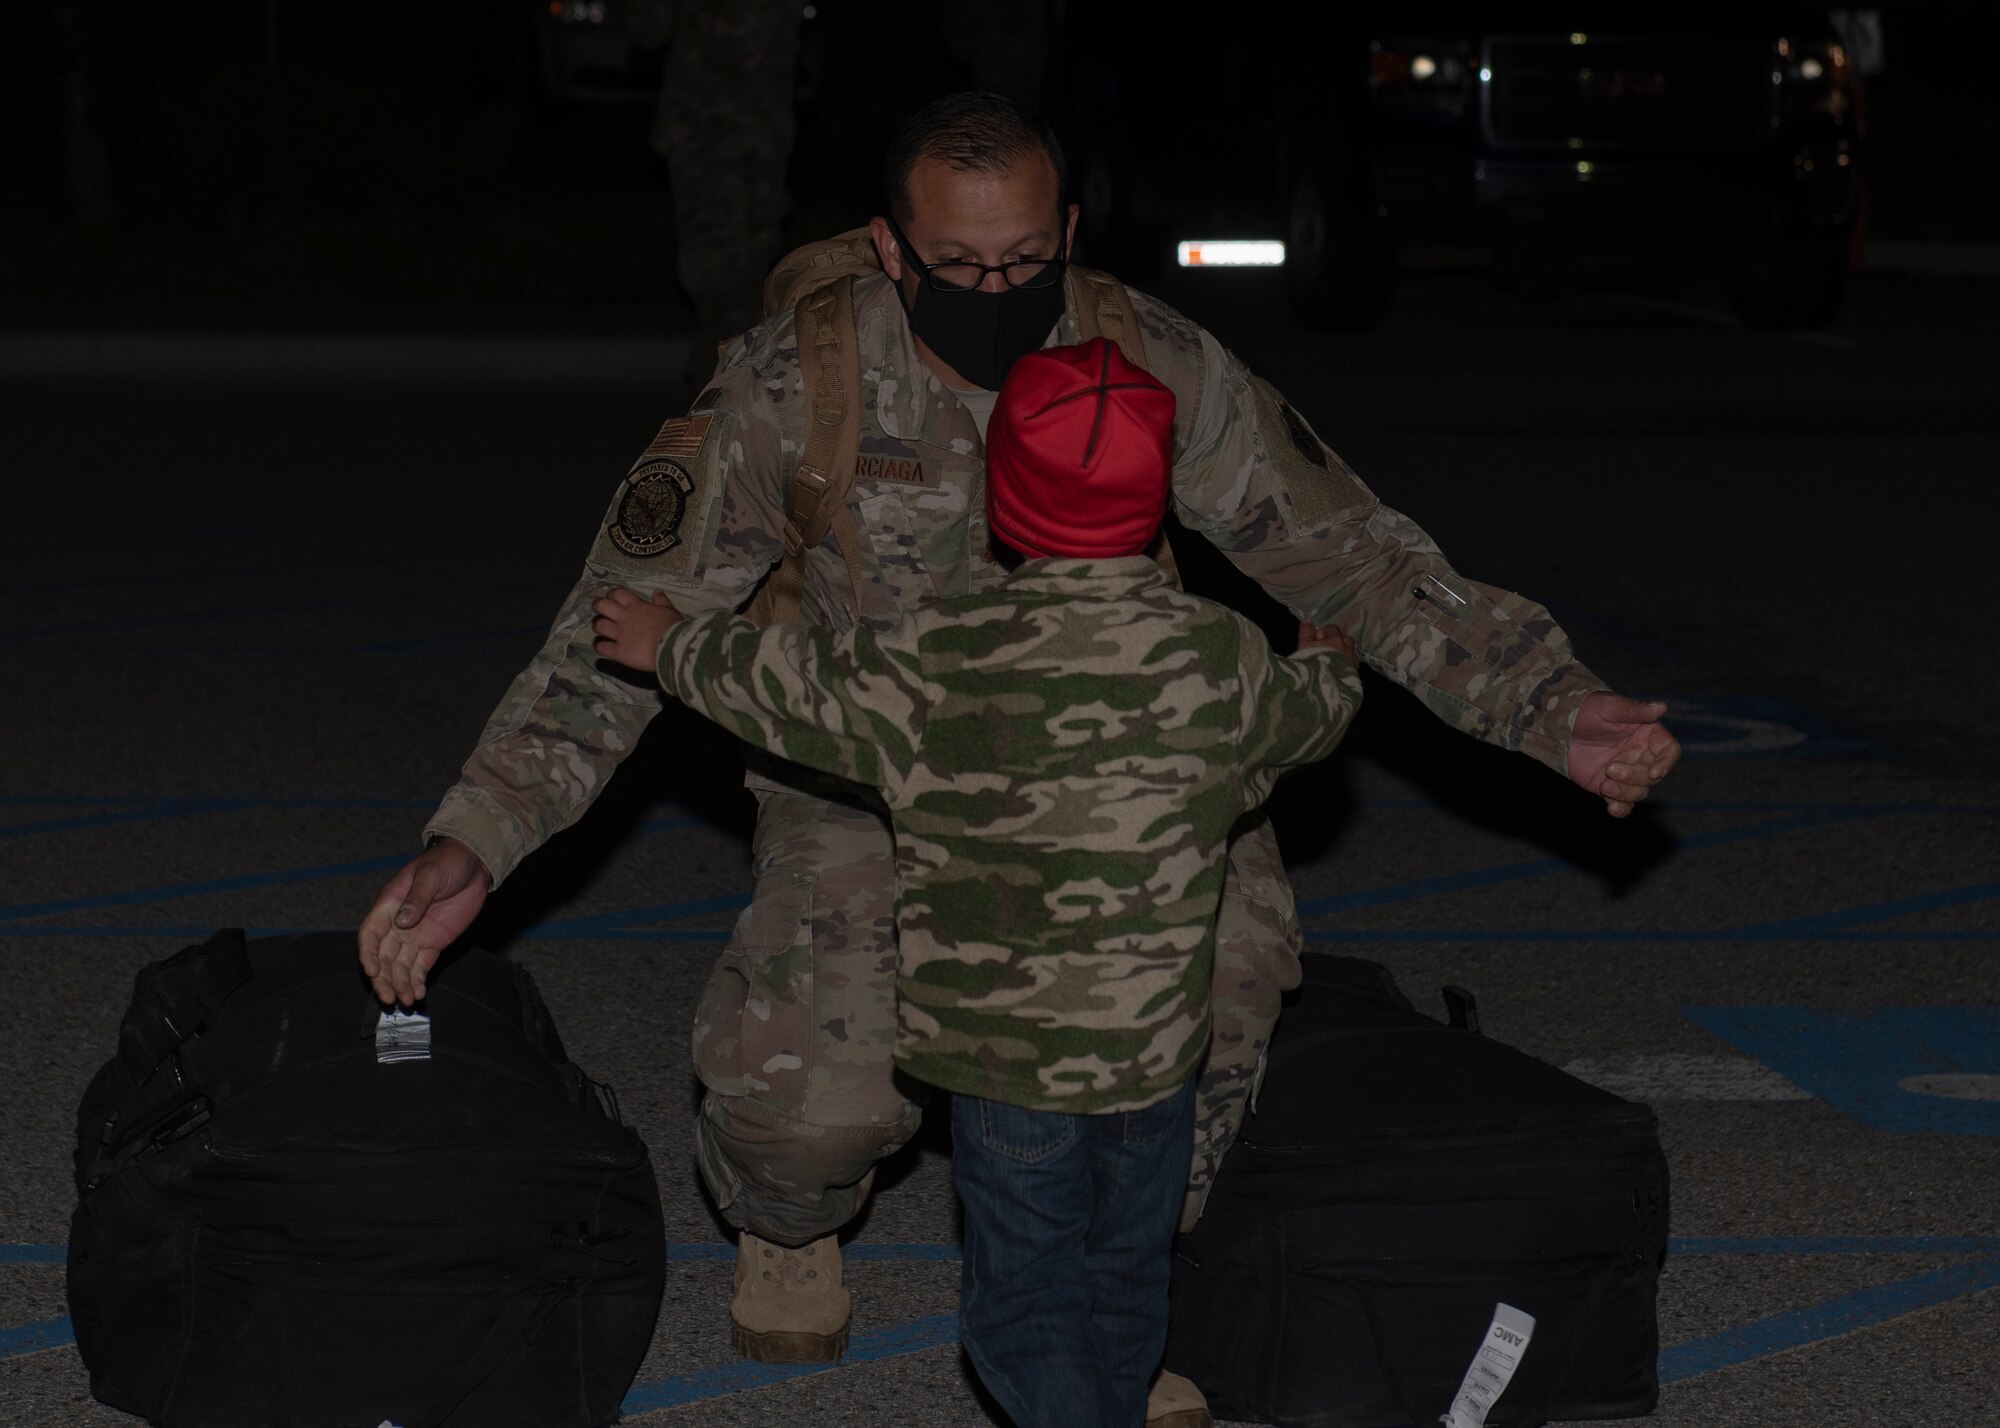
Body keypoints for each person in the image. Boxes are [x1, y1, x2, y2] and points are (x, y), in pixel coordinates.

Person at [359, 91, 1679, 1428]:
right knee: (806, 1114)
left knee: (1217, 1009)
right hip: (871, 780)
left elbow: (1353, 557)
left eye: (1025, 261)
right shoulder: (793, 385)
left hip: (1119, 781)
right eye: (958, 265)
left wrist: (1549, 708)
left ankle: (1118, 1302)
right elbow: (616, 630)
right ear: (890, 248)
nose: (996, 293)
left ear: (1069, 232)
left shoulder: (1145, 359)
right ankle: (786, 1222)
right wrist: (479, 838)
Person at [589, 335, 1363, 1426]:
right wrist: (1328, 661)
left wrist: (666, 642)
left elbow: (784, 682)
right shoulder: (1221, 655)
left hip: (1006, 1068)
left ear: (1002, 503)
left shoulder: (934, 655)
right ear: (1157, 505)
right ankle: (1113, 1391)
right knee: (1124, 1271)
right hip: (1154, 1062)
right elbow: (1311, 717)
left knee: (1019, 1303)